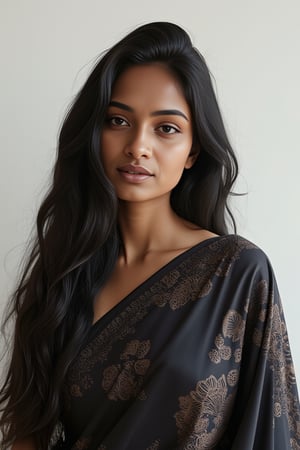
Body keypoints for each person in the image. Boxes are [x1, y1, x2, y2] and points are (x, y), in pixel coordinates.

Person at [0, 21, 299, 450]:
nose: (138, 145)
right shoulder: (64, 273)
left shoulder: (235, 273)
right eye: (118, 120)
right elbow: (29, 432)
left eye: (166, 128)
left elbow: (272, 431)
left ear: (193, 150)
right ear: (94, 134)